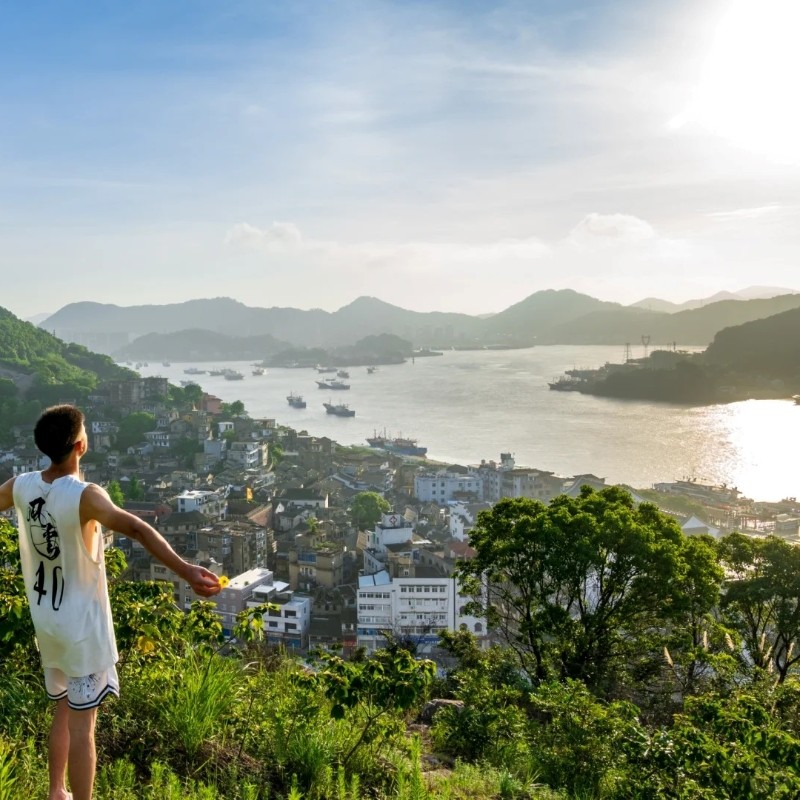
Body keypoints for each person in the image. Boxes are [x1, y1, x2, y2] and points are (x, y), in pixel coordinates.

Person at [0, 404, 221, 800]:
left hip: (47, 622)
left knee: (62, 711)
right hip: (82, 629)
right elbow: (135, 527)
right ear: (81, 446)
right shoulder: (84, 495)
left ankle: (56, 791)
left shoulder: (21, 485)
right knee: (84, 729)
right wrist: (185, 569)